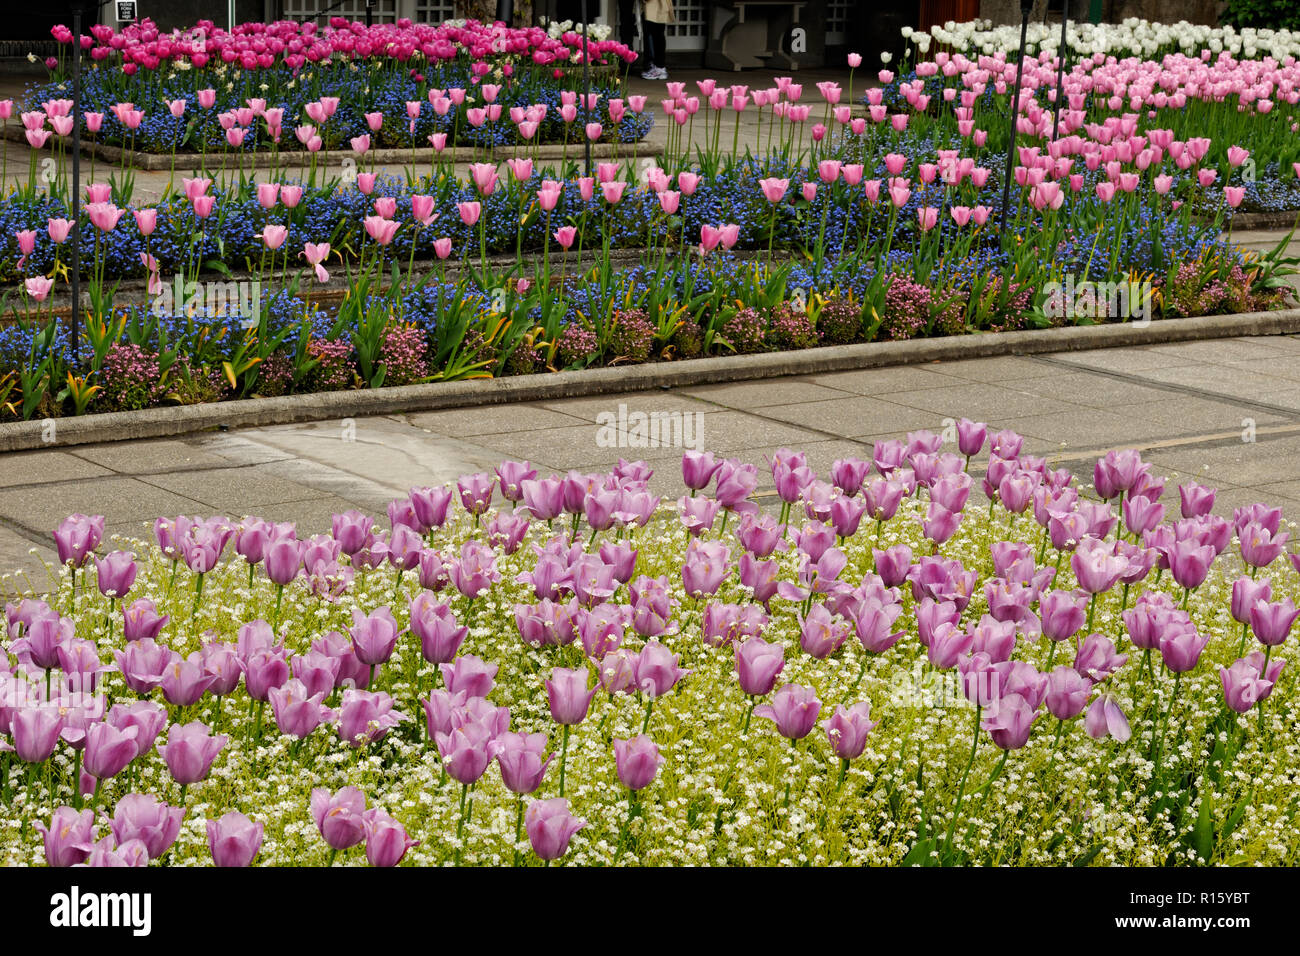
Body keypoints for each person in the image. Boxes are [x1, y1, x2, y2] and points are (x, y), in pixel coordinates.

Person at [641, 0, 673, 80]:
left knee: (652, 33)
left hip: (653, 5)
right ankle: (659, 67)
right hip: (660, 4)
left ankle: (656, 67)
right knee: (658, 33)